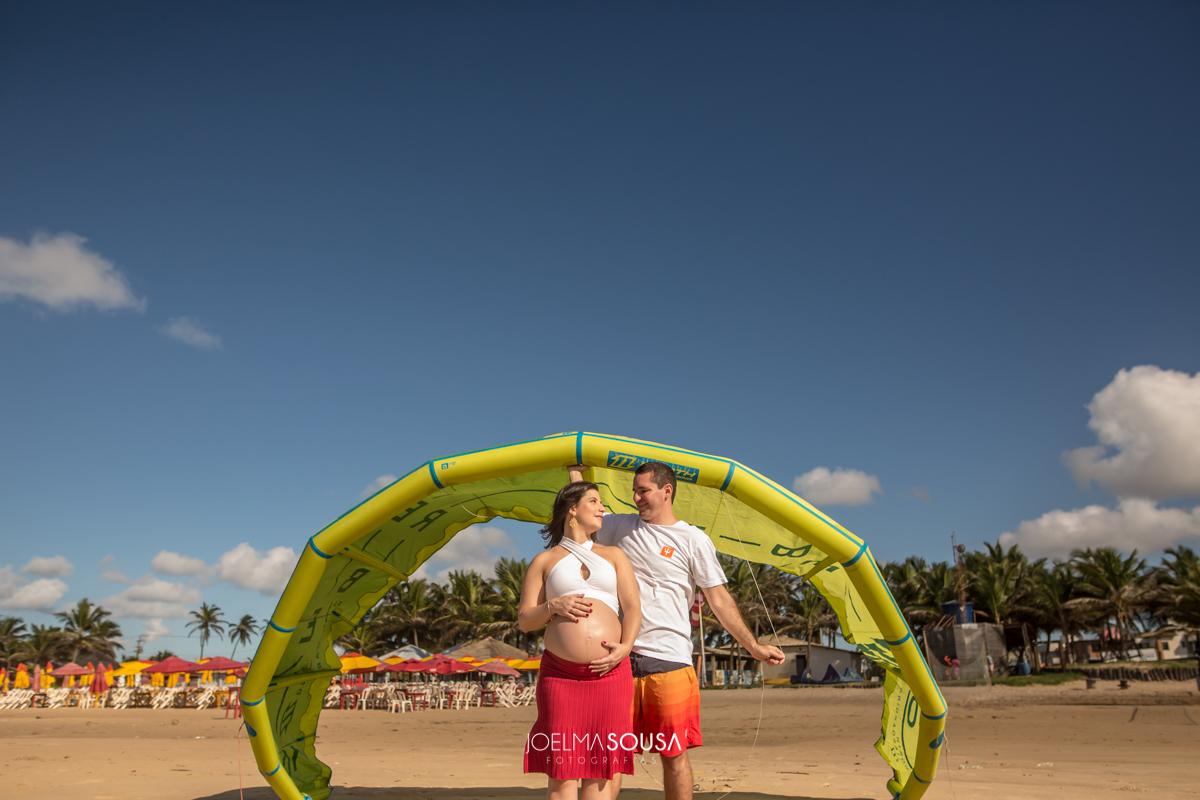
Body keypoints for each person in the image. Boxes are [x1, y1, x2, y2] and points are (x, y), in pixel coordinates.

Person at [560, 462, 786, 800]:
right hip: (618, 659)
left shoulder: (693, 539)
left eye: (644, 491)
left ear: (667, 491)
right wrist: (575, 473)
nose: (636, 498)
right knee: (611, 755)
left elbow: (719, 599)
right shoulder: (621, 526)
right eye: (634, 491)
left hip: (669, 660)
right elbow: (581, 514)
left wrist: (753, 646)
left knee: (673, 755)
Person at [520, 481, 643, 800]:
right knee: (561, 773)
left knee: (600, 771)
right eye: (594, 501)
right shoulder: (543, 561)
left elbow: (632, 608)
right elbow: (525, 621)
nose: (603, 508)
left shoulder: (614, 555)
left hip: (610, 673)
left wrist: (625, 648)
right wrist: (552, 606)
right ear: (572, 509)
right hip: (560, 676)